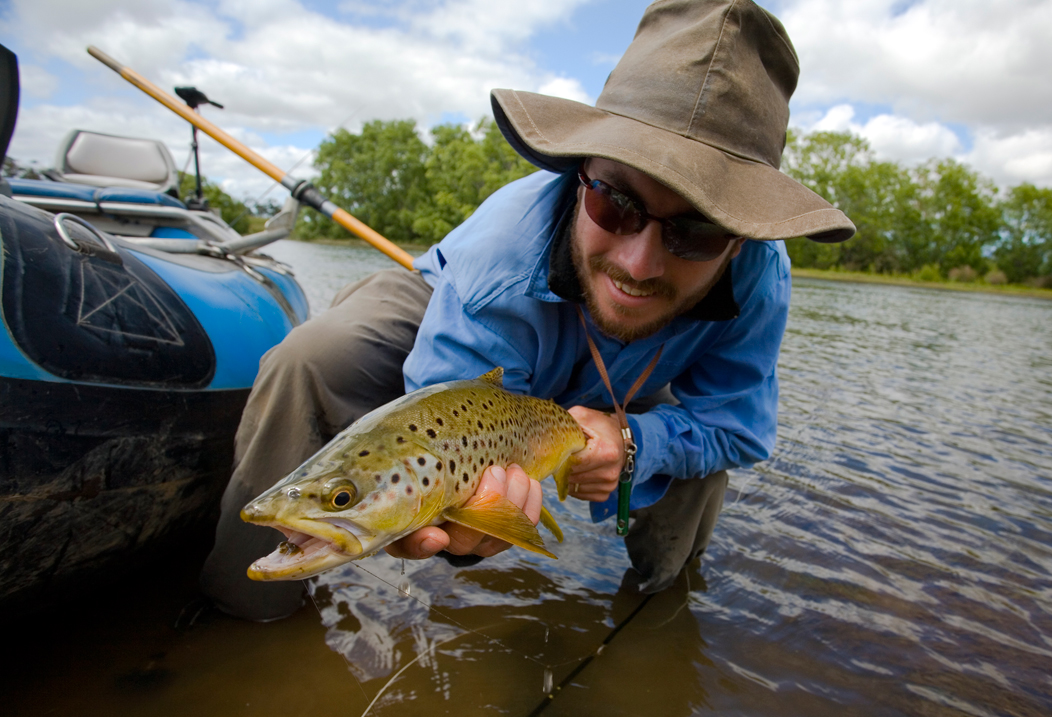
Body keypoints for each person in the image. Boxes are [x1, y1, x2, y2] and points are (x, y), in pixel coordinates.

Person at [199, 0, 854, 622]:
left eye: (698, 233)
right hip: (476, 331)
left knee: (697, 460)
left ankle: (657, 607)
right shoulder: (496, 265)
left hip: (632, 375)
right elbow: (443, 431)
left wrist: (636, 444)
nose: (638, 263)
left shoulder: (760, 281)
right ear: (580, 173)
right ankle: (239, 615)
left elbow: (738, 426)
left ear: (741, 237)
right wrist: (465, 524)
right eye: (617, 205)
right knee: (311, 360)